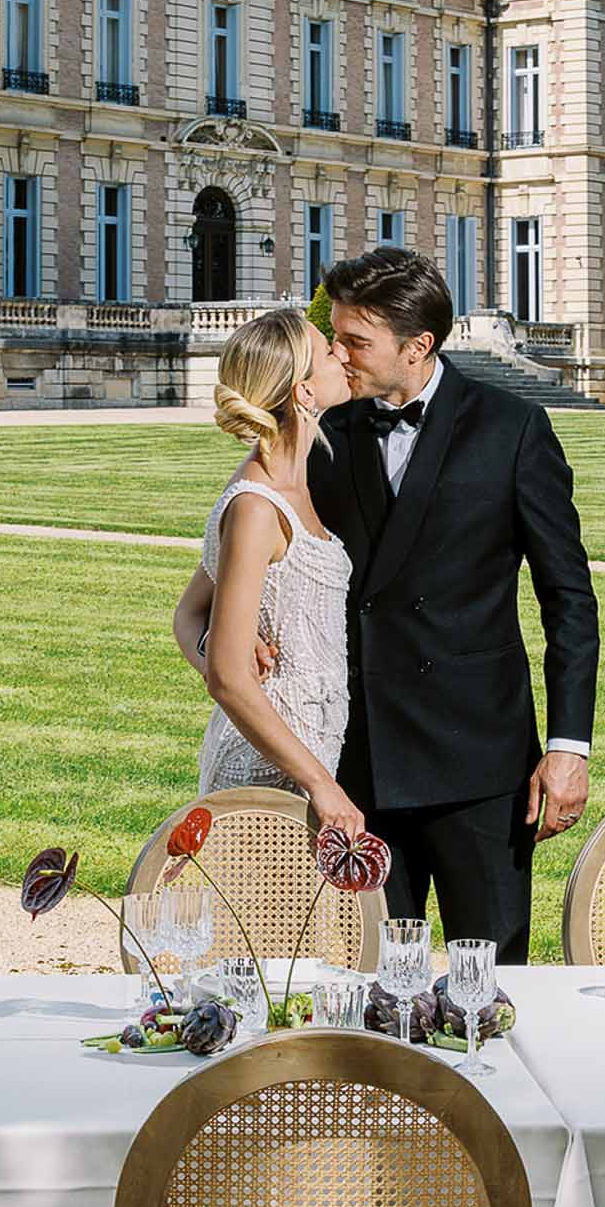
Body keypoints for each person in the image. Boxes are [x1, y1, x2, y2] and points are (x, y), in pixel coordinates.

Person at [309, 247, 599, 963]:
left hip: (481, 766)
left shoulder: (513, 429)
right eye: (336, 336)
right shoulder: (323, 431)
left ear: (417, 346)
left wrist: (568, 749)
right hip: (361, 762)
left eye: (354, 341)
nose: (336, 353)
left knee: (492, 990)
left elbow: (568, 600)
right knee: (370, 988)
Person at [172, 306, 364, 838]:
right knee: (256, 923)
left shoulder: (292, 482)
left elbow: (189, 616)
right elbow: (228, 678)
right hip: (267, 773)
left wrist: (220, 640)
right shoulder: (257, 505)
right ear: (304, 392)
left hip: (307, 758)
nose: (342, 353)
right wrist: (323, 786)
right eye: (328, 351)